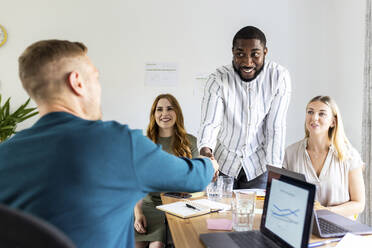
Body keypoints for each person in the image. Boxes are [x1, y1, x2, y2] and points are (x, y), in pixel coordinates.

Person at [0, 39, 219, 248]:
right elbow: (194, 177)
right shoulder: (120, 143)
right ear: (77, 82)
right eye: (95, 78)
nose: (98, 87)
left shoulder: (5, 154)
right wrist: (210, 164)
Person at [198, 26, 291, 189]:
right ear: (233, 52)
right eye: (240, 54)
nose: (248, 62)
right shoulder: (217, 79)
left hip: (258, 166)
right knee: (218, 213)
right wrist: (207, 157)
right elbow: (210, 124)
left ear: (265, 52)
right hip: (222, 163)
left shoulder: (278, 77)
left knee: (255, 213)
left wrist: (274, 171)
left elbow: (275, 128)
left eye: (255, 54)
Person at [283, 96, 365, 218]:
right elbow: (284, 196)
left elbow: (359, 204)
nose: (314, 118)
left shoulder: (350, 156)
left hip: (340, 227)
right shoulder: (290, 153)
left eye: (322, 114)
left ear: (333, 122)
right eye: (310, 112)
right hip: (302, 224)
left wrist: (325, 212)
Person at [134, 93, 198, 248]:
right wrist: (138, 214)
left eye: (170, 109)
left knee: (156, 245)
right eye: (159, 109)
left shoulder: (190, 142)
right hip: (148, 206)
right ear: (153, 114)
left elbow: (197, 181)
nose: (164, 114)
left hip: (178, 207)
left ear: (177, 113)